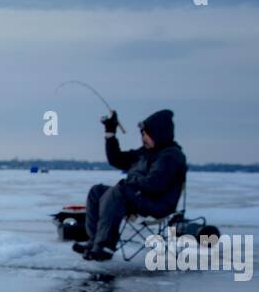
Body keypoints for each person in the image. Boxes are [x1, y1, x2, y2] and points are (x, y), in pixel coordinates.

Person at [75, 109, 187, 261]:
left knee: (119, 190)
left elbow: (155, 184)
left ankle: (105, 246)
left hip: (157, 204)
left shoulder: (170, 156)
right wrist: (110, 133)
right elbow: (117, 159)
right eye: (142, 134)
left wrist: (131, 181)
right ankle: (94, 242)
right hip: (138, 198)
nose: (142, 137)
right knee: (97, 191)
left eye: (145, 134)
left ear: (158, 133)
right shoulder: (146, 152)